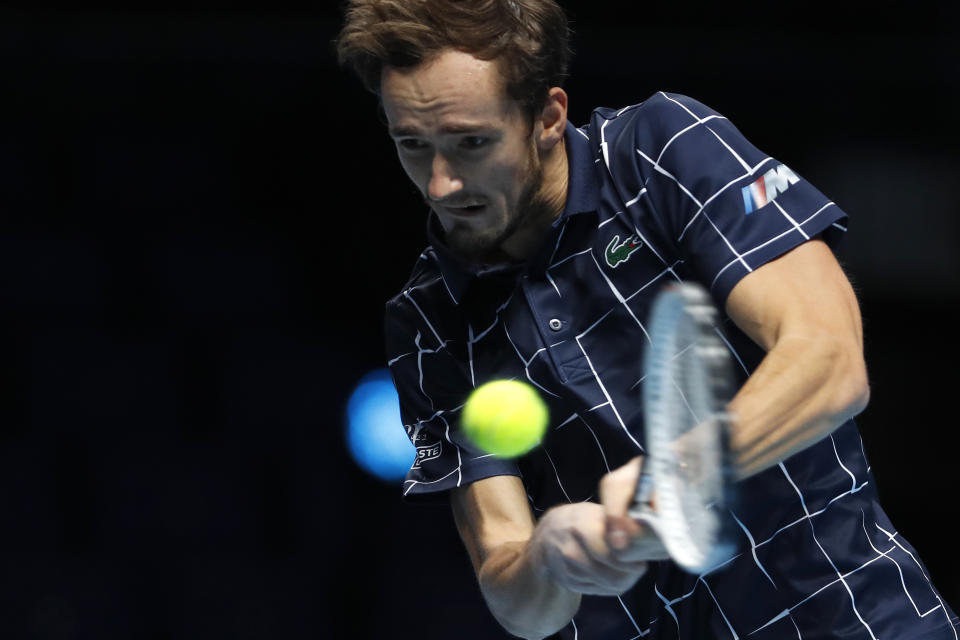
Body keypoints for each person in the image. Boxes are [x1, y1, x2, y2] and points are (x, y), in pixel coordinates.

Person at [336, 1, 959, 638]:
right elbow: (517, 599)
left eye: (471, 142)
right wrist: (549, 554)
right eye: (412, 144)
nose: (440, 183)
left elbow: (831, 363)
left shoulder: (659, 152)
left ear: (547, 117)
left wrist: (681, 468)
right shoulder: (426, 323)